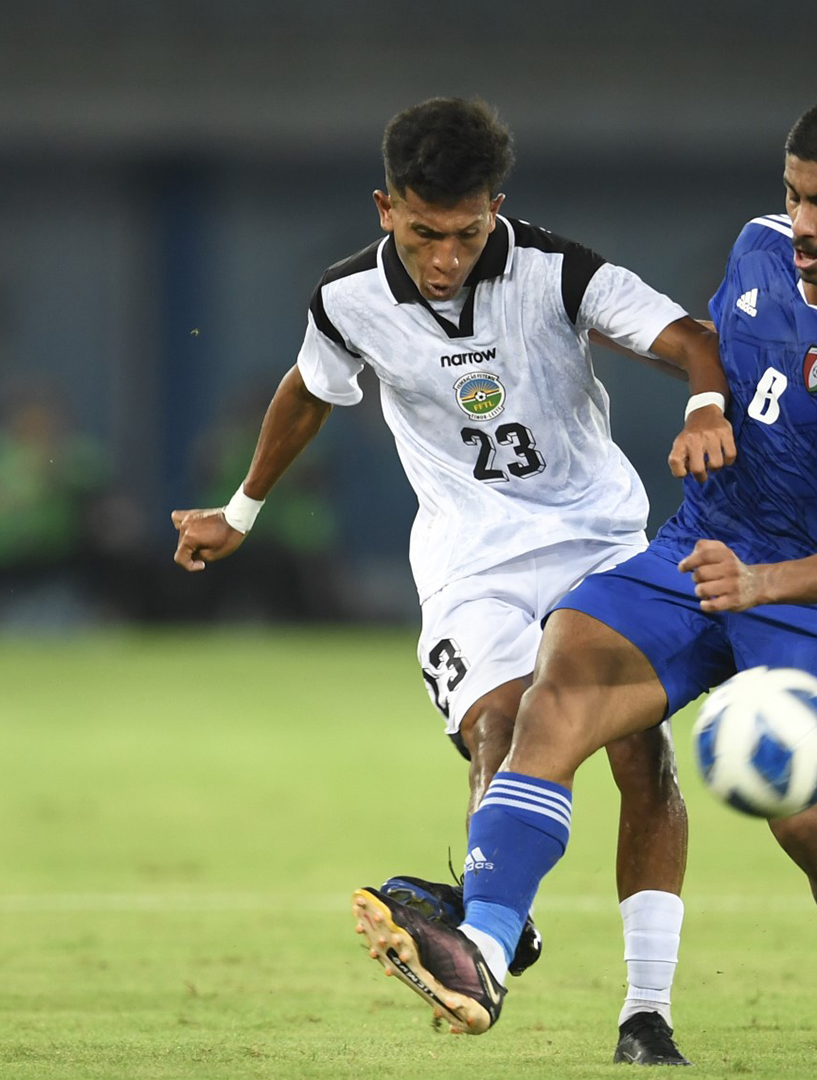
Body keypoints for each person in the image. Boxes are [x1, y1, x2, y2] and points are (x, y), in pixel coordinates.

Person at [353, 93, 817, 1070]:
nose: (803, 223)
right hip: (695, 553)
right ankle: (488, 951)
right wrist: (704, 411)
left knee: (809, 819)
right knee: (560, 682)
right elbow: (719, 358)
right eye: (795, 195)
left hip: (814, 600)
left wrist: (758, 584)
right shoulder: (761, 248)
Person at [171, 97, 736, 1065]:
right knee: (502, 725)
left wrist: (707, 399)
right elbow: (309, 389)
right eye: (426, 233)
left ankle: (644, 1013)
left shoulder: (558, 271)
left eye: (468, 233)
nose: (445, 258)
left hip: (596, 540)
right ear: (385, 207)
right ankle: (492, 934)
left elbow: (687, 334)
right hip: (469, 558)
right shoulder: (347, 299)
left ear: (497, 207)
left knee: (641, 757)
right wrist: (243, 510)